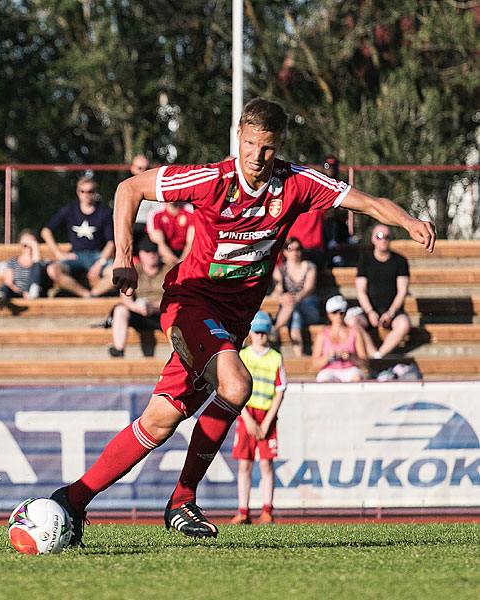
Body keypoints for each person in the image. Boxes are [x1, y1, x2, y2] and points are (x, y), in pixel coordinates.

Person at [49, 97, 435, 545]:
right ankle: (182, 500)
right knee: (236, 385)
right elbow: (128, 190)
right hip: (189, 303)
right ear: (239, 137)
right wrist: (124, 255)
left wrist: (407, 220)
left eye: (267, 148)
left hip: (230, 323)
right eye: (249, 144)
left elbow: (365, 202)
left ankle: (70, 501)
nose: (256, 156)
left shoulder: (296, 182)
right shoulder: (212, 178)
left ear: (280, 145)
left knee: (159, 421)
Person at [230, 311, 286, 525]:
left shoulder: (275, 358)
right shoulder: (242, 356)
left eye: (264, 332)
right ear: (251, 333)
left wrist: (267, 421)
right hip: (247, 414)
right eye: (257, 332)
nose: (261, 336)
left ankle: (267, 510)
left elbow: (280, 390)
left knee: (266, 465)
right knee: (244, 465)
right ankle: (243, 511)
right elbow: (235, 390)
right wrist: (247, 418)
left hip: (267, 416)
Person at [41, 177, 116, 297]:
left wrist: (100, 263)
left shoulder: (105, 211)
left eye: (90, 191)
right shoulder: (69, 210)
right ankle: (84, 294)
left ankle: (93, 294)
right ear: (78, 192)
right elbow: (46, 231)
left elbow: (111, 242)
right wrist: (58, 253)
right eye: (83, 191)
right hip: (75, 256)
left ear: (95, 192)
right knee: (52, 270)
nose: (86, 195)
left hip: (98, 255)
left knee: (117, 273)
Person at [355, 223, 412, 358]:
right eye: (379, 236)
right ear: (373, 239)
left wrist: (391, 313)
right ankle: (372, 353)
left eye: (387, 236)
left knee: (404, 324)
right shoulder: (365, 260)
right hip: (369, 311)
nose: (383, 240)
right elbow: (360, 290)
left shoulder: (400, 261)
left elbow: (402, 291)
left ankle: (379, 356)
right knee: (352, 322)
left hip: (393, 311)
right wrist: (369, 312)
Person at [107, 238, 171, 358]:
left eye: (153, 251)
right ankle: (118, 349)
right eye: (147, 252)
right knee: (120, 310)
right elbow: (125, 297)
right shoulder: (134, 271)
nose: (151, 255)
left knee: (177, 312)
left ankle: (181, 353)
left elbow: (175, 297)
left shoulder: (169, 270)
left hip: (162, 311)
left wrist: (154, 307)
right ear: (141, 254)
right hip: (139, 311)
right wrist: (137, 307)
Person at [270, 237, 320, 356]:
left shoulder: (309, 266)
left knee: (293, 306)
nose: (294, 252)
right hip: (291, 309)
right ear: (284, 251)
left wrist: (295, 299)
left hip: (308, 306)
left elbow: (308, 289)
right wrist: (287, 298)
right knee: (295, 315)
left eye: (298, 249)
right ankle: (299, 354)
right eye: (290, 249)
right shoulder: (280, 269)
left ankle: (275, 328)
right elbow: (279, 291)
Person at [312, 295, 367, 382]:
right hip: (329, 370)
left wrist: (351, 357)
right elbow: (315, 364)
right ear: (328, 314)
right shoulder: (322, 334)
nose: (338, 316)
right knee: (324, 379)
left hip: (350, 369)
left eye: (342, 312)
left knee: (357, 377)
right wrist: (327, 357)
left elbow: (364, 361)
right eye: (335, 312)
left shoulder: (355, 333)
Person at [0, 230, 50, 309]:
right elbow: (8, 282)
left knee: (37, 269)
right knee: (5, 287)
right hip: (17, 292)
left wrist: (35, 251)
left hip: (36, 292)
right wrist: (20, 292)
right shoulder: (13, 261)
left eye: (31, 245)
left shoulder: (43, 262)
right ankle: (1, 297)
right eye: (25, 245)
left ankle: (31, 291)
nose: (28, 248)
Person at [146, 201, 195, 266]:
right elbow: (161, 244)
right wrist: (177, 263)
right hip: (166, 251)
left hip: (185, 250)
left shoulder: (191, 210)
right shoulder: (155, 213)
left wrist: (181, 261)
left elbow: (190, 243)